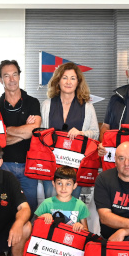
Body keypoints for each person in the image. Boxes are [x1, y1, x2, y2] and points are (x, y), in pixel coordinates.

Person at [40, 62, 99, 198]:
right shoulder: (47, 105)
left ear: (78, 82)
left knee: (72, 204)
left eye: (73, 78)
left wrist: (81, 133)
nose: (68, 82)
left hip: (75, 167)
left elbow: (95, 133)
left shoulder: (87, 107)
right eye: (65, 77)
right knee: (50, 202)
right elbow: (41, 135)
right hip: (51, 165)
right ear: (58, 80)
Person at [31, 166, 89, 256]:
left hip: (69, 253)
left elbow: (86, 231)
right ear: (53, 184)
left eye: (68, 184)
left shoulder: (80, 205)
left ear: (75, 186)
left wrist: (80, 226)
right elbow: (34, 227)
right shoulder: (47, 203)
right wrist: (42, 217)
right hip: (50, 251)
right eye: (59, 183)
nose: (63, 188)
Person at [0, 59, 41, 213]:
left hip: (29, 166)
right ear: (1, 80)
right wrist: (24, 132)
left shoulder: (33, 102)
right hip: (4, 165)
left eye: (15, 74)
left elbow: (34, 131)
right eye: (7, 76)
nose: (12, 79)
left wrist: (6, 130)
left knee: (29, 209)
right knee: (5, 210)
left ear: (20, 76)